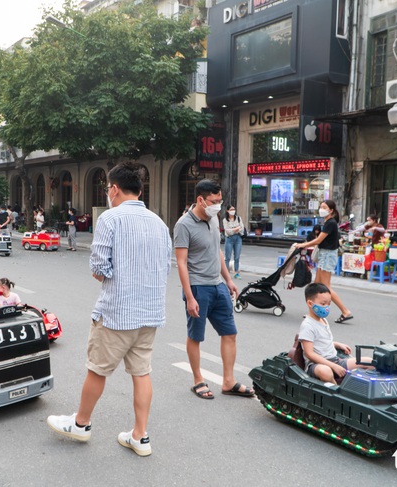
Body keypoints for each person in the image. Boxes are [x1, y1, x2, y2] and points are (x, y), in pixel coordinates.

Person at [47, 162, 172, 457]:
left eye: (107, 189)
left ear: (114, 189)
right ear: (140, 191)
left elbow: (99, 268)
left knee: (97, 370)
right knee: (141, 372)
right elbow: (165, 267)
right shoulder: (160, 222)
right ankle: (140, 436)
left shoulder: (110, 219)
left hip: (117, 312)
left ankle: (81, 423)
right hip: (149, 313)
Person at [174, 179, 254, 400]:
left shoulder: (213, 218)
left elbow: (216, 250)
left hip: (218, 286)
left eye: (220, 201)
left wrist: (227, 279)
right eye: (214, 201)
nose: (218, 205)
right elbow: (181, 263)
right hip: (198, 288)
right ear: (200, 199)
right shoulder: (183, 225)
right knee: (195, 336)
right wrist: (189, 297)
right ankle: (198, 379)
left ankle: (228, 381)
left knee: (230, 333)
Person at [297, 200, 353, 323]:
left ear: (331, 210)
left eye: (324, 207)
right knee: (315, 286)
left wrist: (303, 244)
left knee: (325, 287)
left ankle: (345, 311)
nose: (321, 209)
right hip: (325, 255)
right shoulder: (328, 222)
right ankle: (313, 313)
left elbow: (318, 240)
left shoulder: (330, 223)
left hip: (327, 256)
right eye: (321, 207)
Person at [299, 283, 366, 384]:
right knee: (326, 372)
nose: (326, 307)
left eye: (329, 304)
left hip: (335, 360)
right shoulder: (307, 325)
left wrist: (337, 344)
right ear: (310, 303)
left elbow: (321, 341)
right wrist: (333, 366)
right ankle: (337, 392)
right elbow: (310, 353)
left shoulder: (323, 320)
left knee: (368, 361)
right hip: (317, 365)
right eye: (323, 304)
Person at [222, 205, 244, 279]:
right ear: (227, 211)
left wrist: (234, 229)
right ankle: (227, 273)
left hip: (238, 238)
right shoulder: (225, 220)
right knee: (227, 257)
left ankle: (236, 272)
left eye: (234, 209)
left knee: (237, 257)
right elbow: (228, 231)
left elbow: (242, 229)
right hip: (229, 239)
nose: (233, 210)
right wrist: (236, 229)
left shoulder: (238, 218)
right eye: (231, 209)